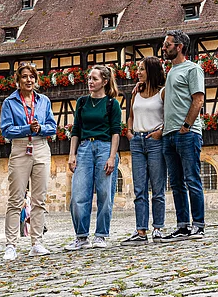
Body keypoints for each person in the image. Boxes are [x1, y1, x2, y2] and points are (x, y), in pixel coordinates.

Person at [0, 63, 57, 260]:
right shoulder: (10, 102)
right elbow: (6, 130)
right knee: (16, 199)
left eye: (32, 77)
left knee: (39, 199)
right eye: (24, 77)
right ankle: (11, 245)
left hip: (41, 146)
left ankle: (37, 242)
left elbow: (53, 127)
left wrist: (39, 128)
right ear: (18, 80)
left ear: (36, 79)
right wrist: (26, 128)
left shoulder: (43, 101)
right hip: (20, 147)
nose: (28, 80)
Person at [66, 65, 121, 250]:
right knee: (78, 194)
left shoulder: (112, 104)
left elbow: (115, 132)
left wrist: (112, 157)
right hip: (84, 148)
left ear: (104, 81)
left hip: (105, 147)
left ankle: (101, 235)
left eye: (94, 79)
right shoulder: (82, 102)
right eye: (89, 78)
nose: (90, 81)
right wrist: (72, 154)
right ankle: (81, 237)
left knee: (105, 193)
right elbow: (75, 130)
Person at [160, 30, 206, 241]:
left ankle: (198, 225)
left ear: (179, 47)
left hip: (187, 134)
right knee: (177, 183)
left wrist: (187, 126)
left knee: (192, 179)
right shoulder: (170, 72)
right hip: (169, 135)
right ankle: (182, 226)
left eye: (167, 44)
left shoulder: (193, 69)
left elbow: (198, 100)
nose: (164, 47)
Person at [121, 57, 166, 246]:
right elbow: (131, 116)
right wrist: (130, 133)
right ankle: (140, 231)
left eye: (142, 69)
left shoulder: (163, 93)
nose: (137, 72)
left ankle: (158, 229)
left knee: (157, 189)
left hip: (155, 141)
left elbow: (170, 116)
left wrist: (160, 132)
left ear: (152, 71)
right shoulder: (136, 93)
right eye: (137, 69)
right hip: (137, 142)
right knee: (139, 189)